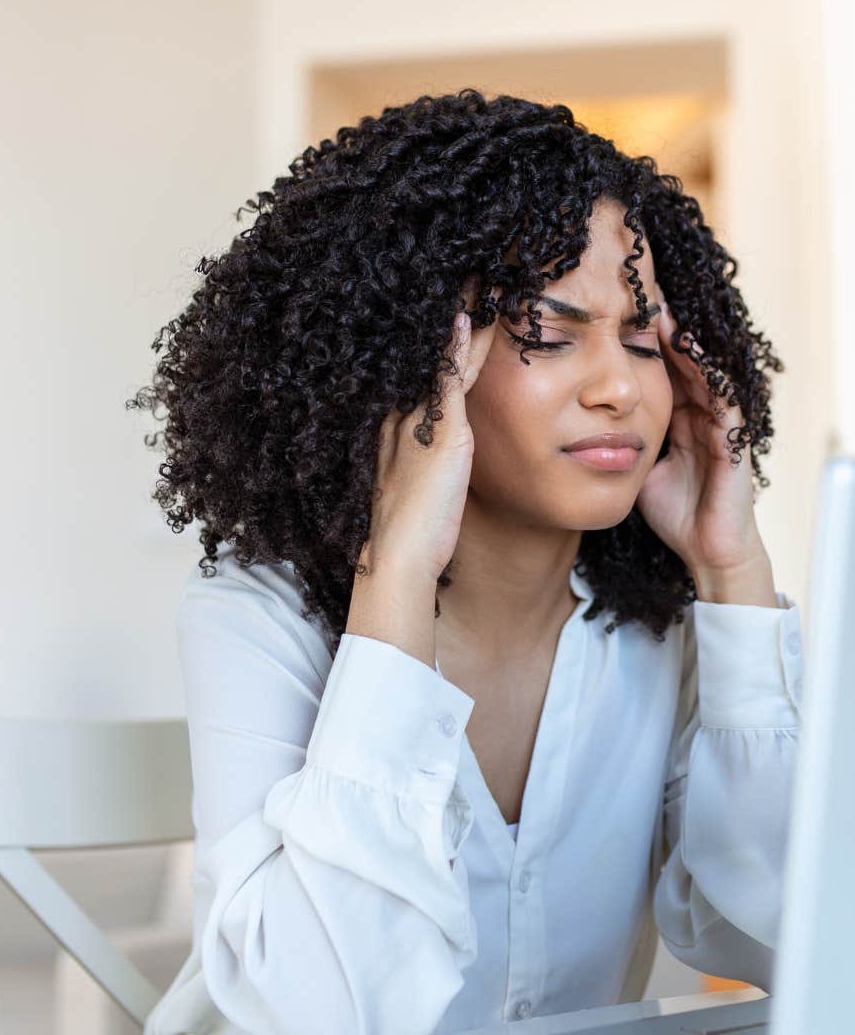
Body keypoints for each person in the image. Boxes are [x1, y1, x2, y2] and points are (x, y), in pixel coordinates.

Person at [128, 88, 805, 1034]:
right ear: (411, 361)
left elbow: (795, 937)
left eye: (644, 339)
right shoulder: (257, 619)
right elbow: (318, 1014)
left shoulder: (672, 634)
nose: (619, 388)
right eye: (549, 334)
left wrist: (733, 572)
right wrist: (396, 573)